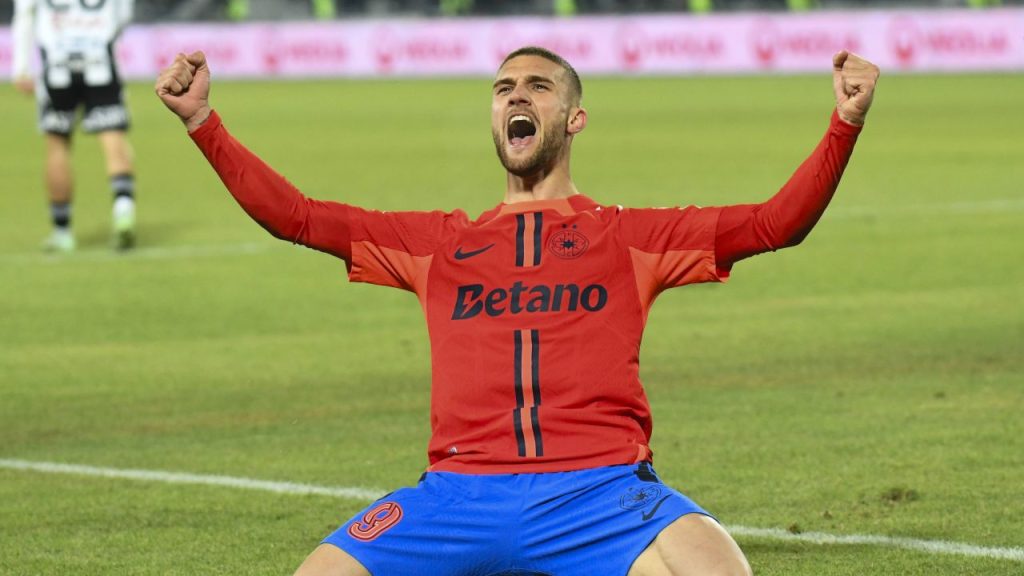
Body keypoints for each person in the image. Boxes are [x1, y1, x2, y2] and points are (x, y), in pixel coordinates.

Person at [155, 45, 878, 575]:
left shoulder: (628, 237)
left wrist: (844, 123)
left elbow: (777, 224)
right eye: (503, 88)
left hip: (600, 493)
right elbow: (298, 217)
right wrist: (203, 122)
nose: (516, 96)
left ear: (574, 117)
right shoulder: (440, 245)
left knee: (719, 570)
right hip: (456, 498)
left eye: (538, 86)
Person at [12, 0, 137, 252]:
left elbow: (24, 15)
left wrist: (21, 67)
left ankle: (62, 232)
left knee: (57, 145)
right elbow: (124, 13)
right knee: (113, 138)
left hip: (57, 62)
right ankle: (123, 210)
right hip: (99, 58)